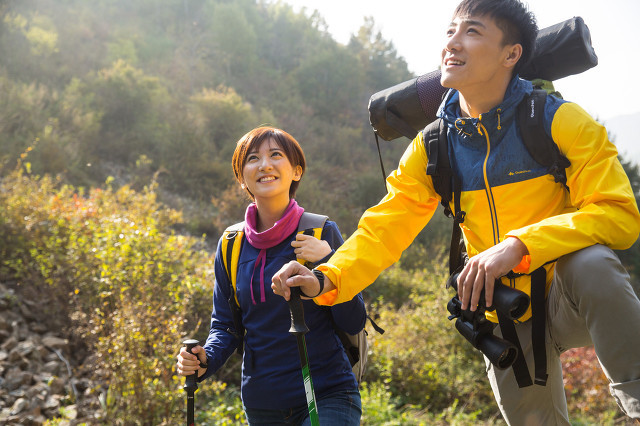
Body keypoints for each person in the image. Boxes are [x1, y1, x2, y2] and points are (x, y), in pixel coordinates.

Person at [271, 0, 640, 424]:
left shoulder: (558, 122)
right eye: (450, 31)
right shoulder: (434, 146)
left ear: (511, 54)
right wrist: (325, 278)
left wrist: (518, 246)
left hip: (567, 297)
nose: (452, 42)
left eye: (472, 32)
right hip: (504, 313)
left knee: (593, 263)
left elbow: (618, 214)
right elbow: (384, 229)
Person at [176, 126, 365, 425]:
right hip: (262, 404)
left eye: (275, 155)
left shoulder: (320, 232)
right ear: (242, 178)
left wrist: (327, 259)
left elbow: (354, 320)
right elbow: (226, 326)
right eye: (252, 158)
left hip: (326, 395)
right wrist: (205, 360)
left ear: (296, 171)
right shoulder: (230, 244)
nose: (264, 164)